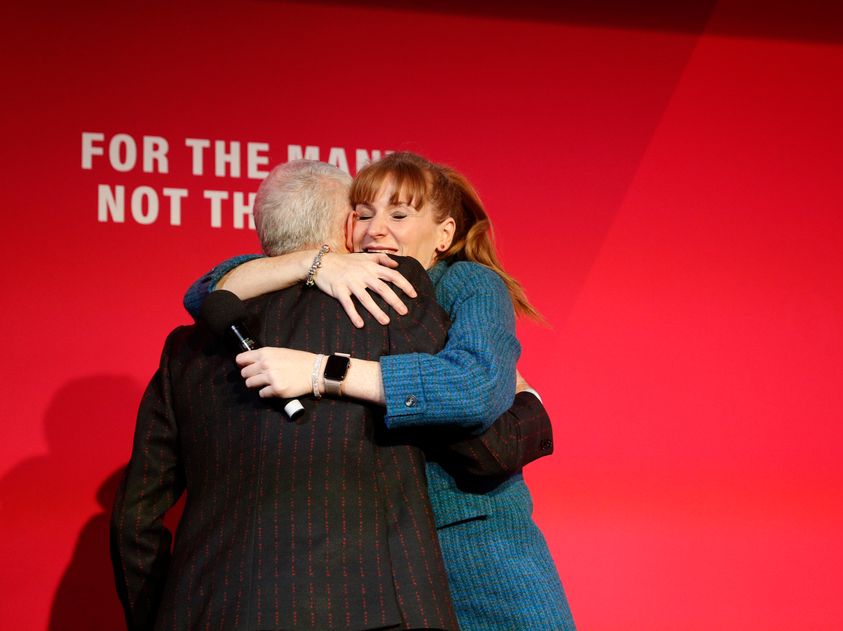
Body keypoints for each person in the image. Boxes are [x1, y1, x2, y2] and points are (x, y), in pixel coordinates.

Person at [111, 160, 553, 631]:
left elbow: (134, 522)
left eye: (398, 215)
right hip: (372, 606)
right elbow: (486, 448)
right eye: (362, 214)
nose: (376, 230)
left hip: (207, 611)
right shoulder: (391, 306)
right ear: (344, 229)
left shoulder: (188, 347)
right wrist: (531, 410)